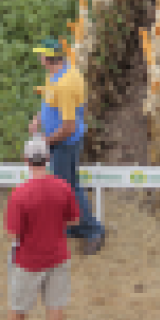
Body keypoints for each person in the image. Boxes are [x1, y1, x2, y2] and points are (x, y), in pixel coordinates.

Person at [0, 135, 81, 320]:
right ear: (48, 159)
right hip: (58, 255)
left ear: (26, 160)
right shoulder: (63, 186)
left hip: (29, 259)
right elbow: (74, 220)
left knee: (19, 306)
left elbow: (13, 234)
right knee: (55, 304)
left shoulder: (19, 194)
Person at [29, 37, 107, 255]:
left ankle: (93, 230)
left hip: (64, 143)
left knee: (68, 188)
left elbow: (69, 126)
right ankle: (80, 226)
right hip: (60, 141)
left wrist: (45, 141)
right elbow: (48, 101)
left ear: (47, 57)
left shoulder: (65, 83)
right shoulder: (59, 73)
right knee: (69, 186)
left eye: (40, 54)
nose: (39, 58)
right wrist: (38, 119)